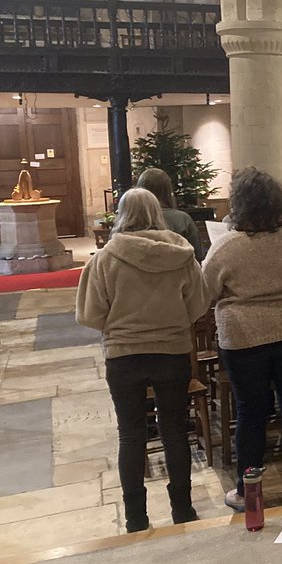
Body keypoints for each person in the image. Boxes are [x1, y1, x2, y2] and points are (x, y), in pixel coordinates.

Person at [75, 188, 209, 532]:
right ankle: (183, 509)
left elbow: (90, 314)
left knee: (131, 435)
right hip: (172, 351)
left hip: (124, 355)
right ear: (157, 213)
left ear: (121, 214)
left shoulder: (105, 258)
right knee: (175, 432)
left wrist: (121, 324)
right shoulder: (181, 255)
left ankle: (136, 517)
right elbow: (198, 306)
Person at [203, 167, 282, 510]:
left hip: (244, 337)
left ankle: (248, 490)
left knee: (251, 413)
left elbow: (206, 290)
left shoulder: (226, 247)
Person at [135, 167, 203, 260]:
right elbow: (197, 257)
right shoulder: (182, 219)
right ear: (167, 190)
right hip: (179, 273)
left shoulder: (129, 221)